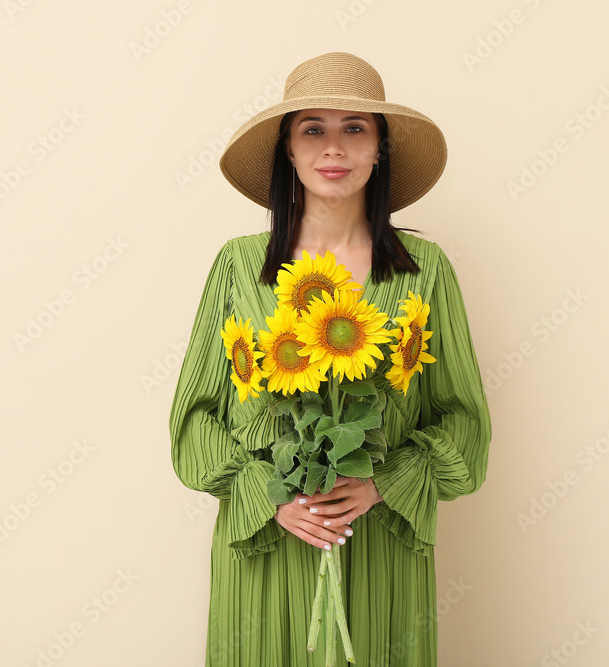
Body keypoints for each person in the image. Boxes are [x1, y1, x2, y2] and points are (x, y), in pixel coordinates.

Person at [169, 51, 492, 666]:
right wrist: (272, 496)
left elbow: (465, 427)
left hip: (382, 546)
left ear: (380, 150)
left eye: (355, 128)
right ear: (288, 150)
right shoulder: (238, 268)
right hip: (265, 550)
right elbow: (193, 422)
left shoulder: (426, 275)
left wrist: (382, 484)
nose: (333, 148)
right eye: (312, 128)